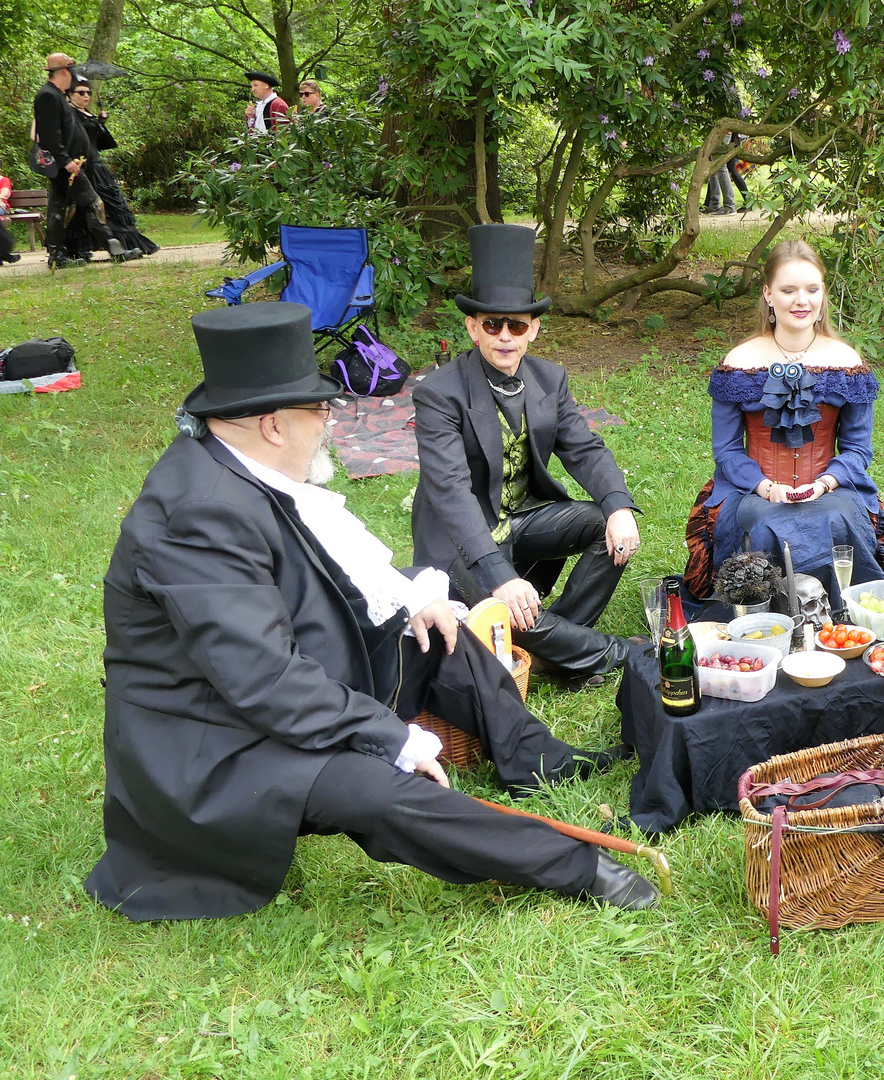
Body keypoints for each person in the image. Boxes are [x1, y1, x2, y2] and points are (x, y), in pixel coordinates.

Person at [86, 302, 654, 922]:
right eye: (321, 411)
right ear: (274, 425)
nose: (329, 423)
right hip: (218, 744)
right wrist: (394, 739)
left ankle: (536, 759)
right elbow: (264, 679)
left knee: (442, 627)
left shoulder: (238, 470)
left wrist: (416, 595)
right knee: (382, 790)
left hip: (270, 692)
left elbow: (322, 581)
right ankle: (576, 866)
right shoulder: (197, 514)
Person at [412, 224, 643, 688]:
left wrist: (618, 506)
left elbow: (584, 447)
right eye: (492, 324)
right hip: (464, 540)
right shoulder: (438, 394)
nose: (505, 336)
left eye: (516, 325)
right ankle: (610, 653)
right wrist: (499, 575)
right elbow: (451, 491)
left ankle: (553, 645)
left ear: (533, 330)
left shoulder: (549, 379)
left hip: (521, 518)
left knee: (607, 530)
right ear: (472, 328)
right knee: (505, 602)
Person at [682, 240, 884, 619]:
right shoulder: (739, 363)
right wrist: (766, 487)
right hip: (752, 489)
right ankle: (766, 616)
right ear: (768, 294)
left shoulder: (846, 363)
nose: (802, 300)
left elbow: (858, 450)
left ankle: (840, 616)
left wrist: (824, 483)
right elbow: (726, 450)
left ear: (823, 294)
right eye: (788, 289)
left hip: (830, 488)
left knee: (835, 517)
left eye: (812, 289)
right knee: (764, 523)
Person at [33, 52, 125, 270]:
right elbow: (49, 136)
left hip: (72, 163)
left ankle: (56, 255)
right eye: (72, 70)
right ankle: (115, 250)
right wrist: (66, 161)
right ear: (65, 72)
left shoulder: (58, 95)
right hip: (66, 166)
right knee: (94, 203)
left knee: (60, 209)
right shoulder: (48, 96)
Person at [61, 77, 153, 261]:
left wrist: (100, 122)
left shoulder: (86, 113)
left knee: (112, 205)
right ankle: (75, 250)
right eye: (81, 92)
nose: (86, 96)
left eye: (88, 93)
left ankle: (125, 245)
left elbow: (95, 140)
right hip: (81, 166)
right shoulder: (69, 114)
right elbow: (73, 139)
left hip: (96, 165)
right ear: (69, 95)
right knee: (86, 208)